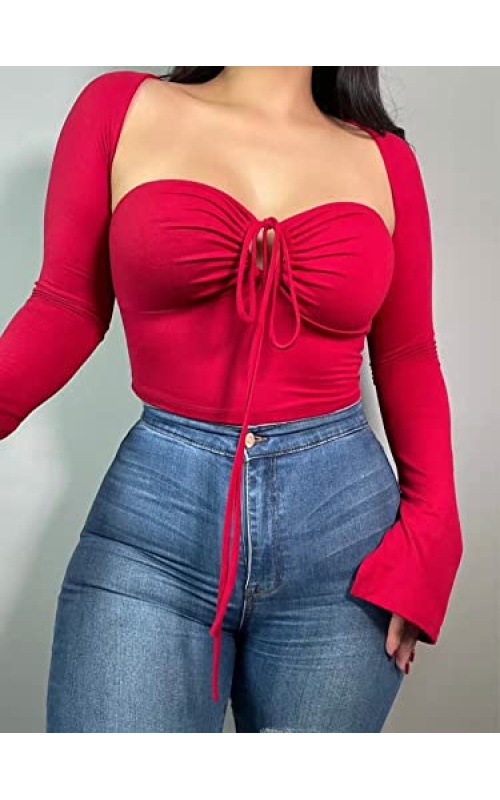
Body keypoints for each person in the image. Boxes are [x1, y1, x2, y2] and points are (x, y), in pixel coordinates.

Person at [0, 67, 463, 733]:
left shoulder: (386, 159)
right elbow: (65, 307)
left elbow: (408, 355)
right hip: (153, 528)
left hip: (346, 544)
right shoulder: (120, 108)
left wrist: (433, 541)